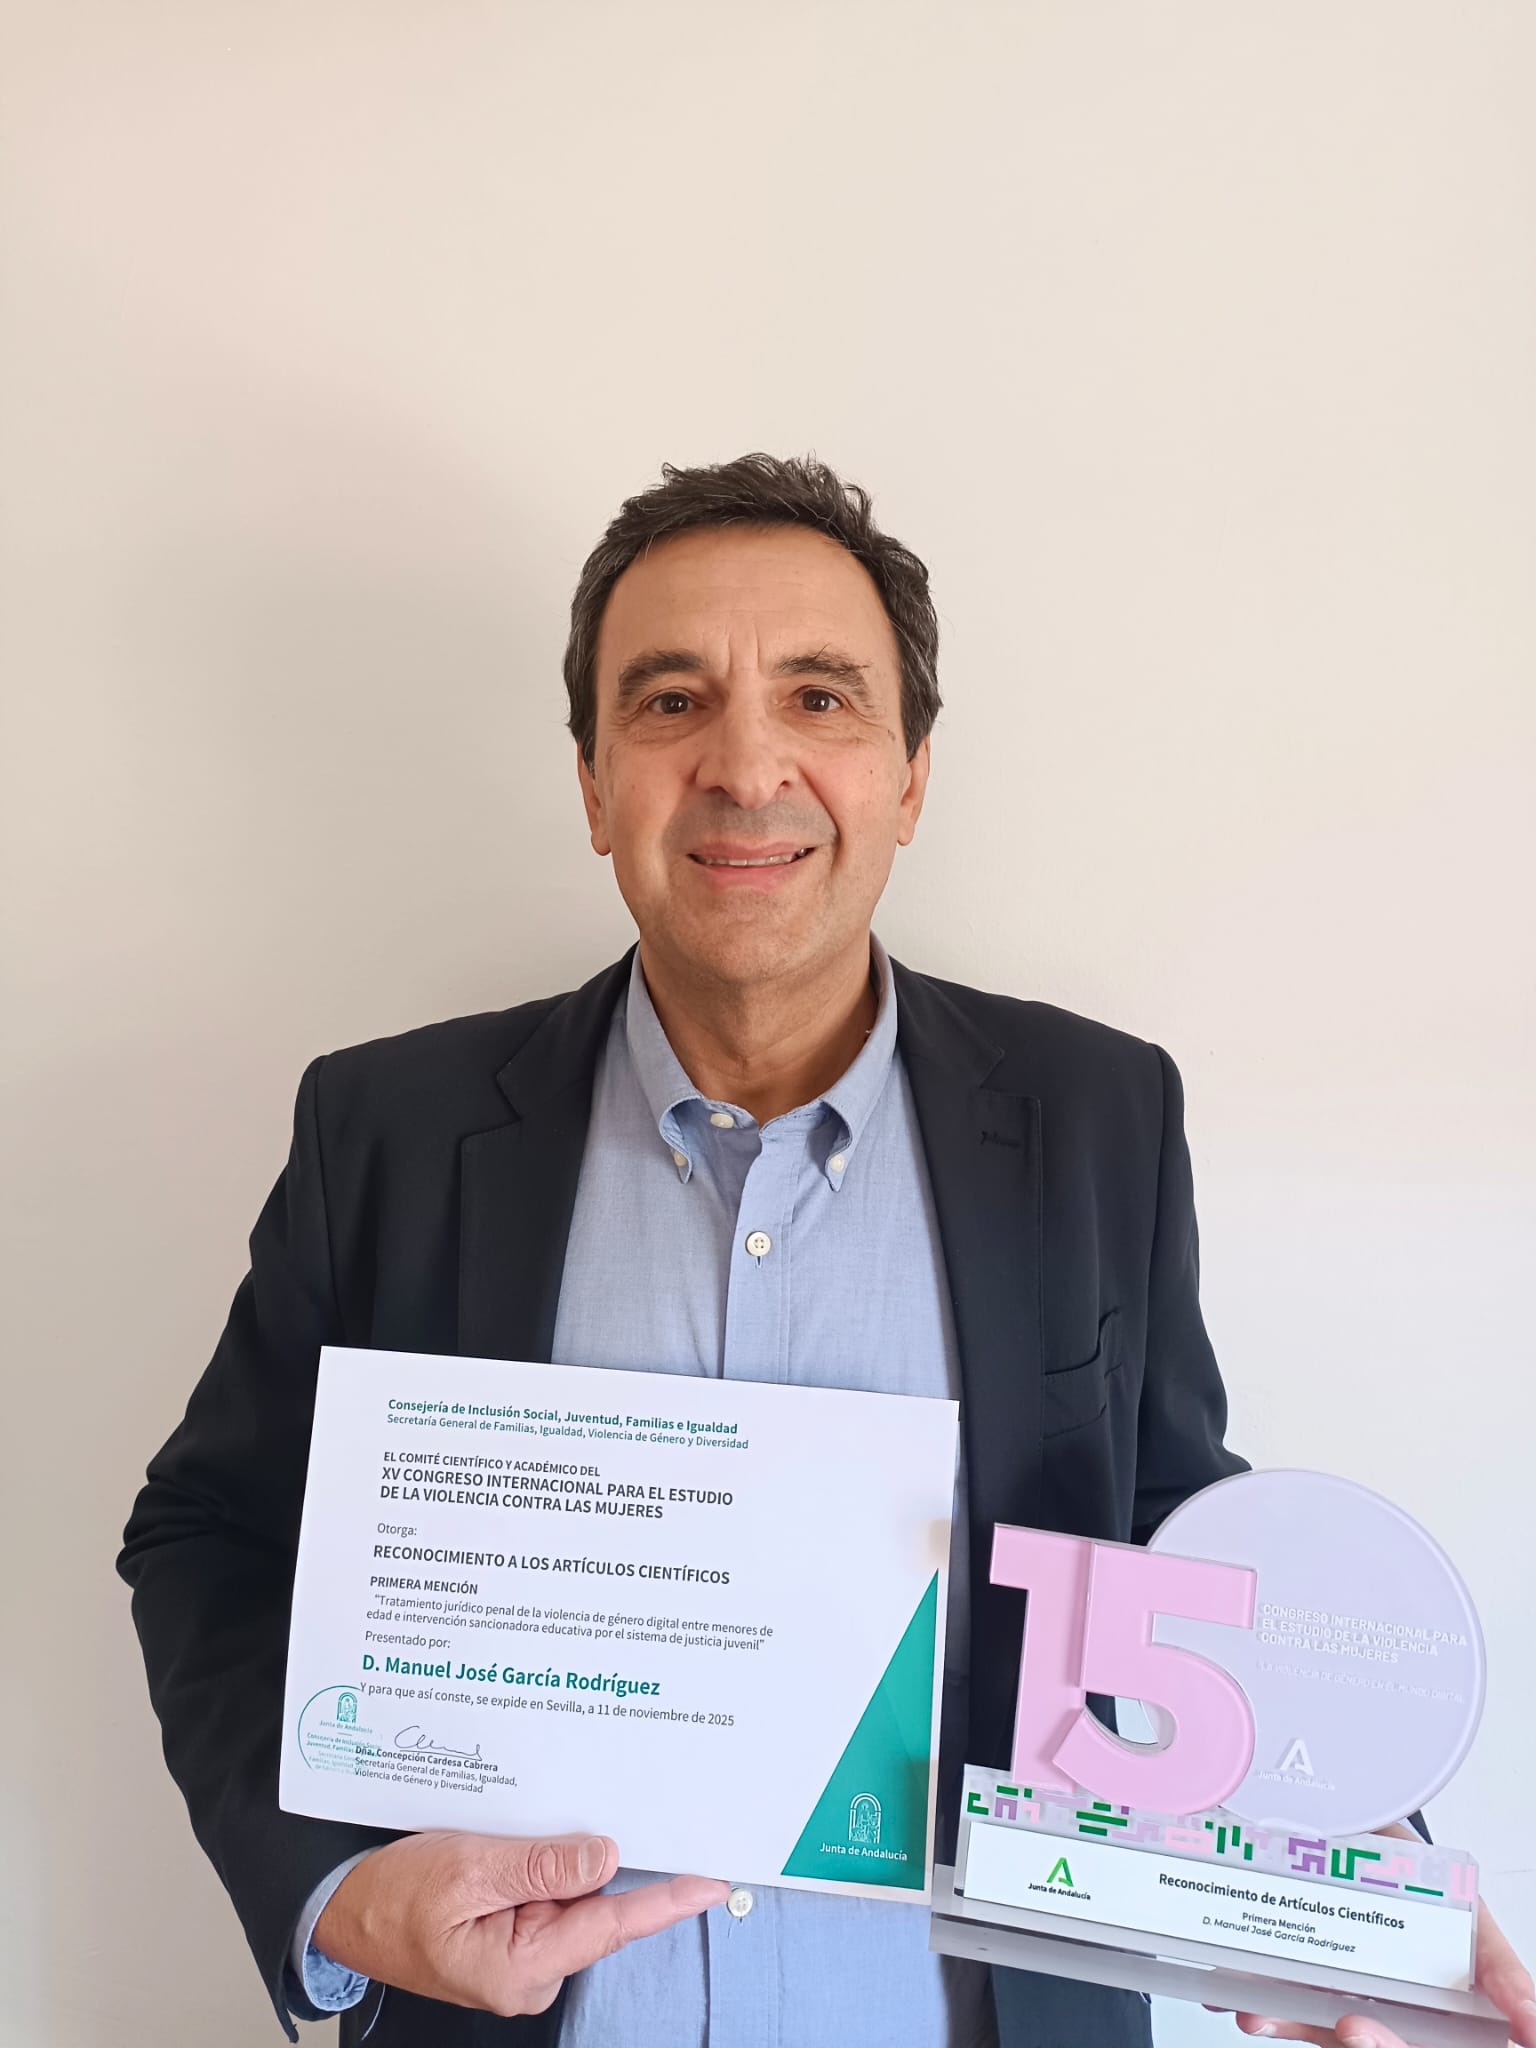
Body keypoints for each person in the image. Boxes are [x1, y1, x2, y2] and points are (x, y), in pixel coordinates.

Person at [118, 453, 1533, 2048]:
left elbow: (1160, 1556)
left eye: (818, 696)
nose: (745, 766)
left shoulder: (1097, 1116)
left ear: (910, 777)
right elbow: (210, 1533)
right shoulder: (390, 1131)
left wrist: (1345, 1878)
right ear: (593, 784)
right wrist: (332, 1893)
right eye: (671, 702)